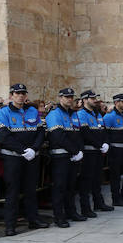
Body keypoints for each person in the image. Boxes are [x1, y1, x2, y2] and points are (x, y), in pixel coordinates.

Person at [0, 84, 48, 235]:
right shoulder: (3, 113)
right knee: (12, 191)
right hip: (13, 158)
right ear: (11, 95)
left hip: (31, 156)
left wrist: (34, 149)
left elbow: (40, 131)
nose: (21, 96)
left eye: (23, 93)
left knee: (31, 189)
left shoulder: (32, 110)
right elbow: (4, 136)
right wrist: (22, 150)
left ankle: (33, 219)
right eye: (17, 93)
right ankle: (10, 225)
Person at [45, 88, 85, 226]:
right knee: (59, 187)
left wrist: (79, 151)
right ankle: (59, 216)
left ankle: (71, 212)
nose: (69, 99)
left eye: (71, 97)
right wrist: (75, 151)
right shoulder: (54, 114)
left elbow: (78, 134)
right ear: (60, 98)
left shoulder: (73, 114)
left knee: (71, 186)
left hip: (72, 156)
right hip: (60, 156)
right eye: (66, 97)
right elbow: (59, 137)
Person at [75, 90, 113, 217]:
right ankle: (85, 207)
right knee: (86, 180)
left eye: (95, 98)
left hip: (97, 151)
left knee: (98, 178)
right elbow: (85, 133)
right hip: (88, 151)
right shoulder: (81, 114)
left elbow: (103, 131)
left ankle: (99, 202)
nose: (94, 100)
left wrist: (106, 143)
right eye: (91, 98)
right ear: (85, 100)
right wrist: (99, 144)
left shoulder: (97, 114)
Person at [102, 94, 123, 206]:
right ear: (116, 102)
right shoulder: (109, 116)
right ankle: (116, 199)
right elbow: (105, 133)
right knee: (115, 175)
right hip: (115, 150)